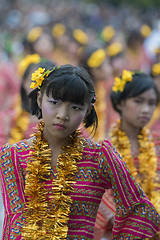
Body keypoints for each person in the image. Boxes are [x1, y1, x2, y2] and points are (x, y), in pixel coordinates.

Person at [0, 65, 159, 239]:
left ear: (88, 110)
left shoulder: (100, 156)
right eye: (55, 103)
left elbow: (139, 208)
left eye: (75, 107)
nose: (63, 115)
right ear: (39, 99)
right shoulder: (13, 156)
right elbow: (15, 222)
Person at [95, 70, 160, 240]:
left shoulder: (157, 144)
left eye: (152, 103)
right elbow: (99, 197)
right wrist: (135, 221)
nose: (146, 109)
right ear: (120, 102)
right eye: (138, 102)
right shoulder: (103, 149)